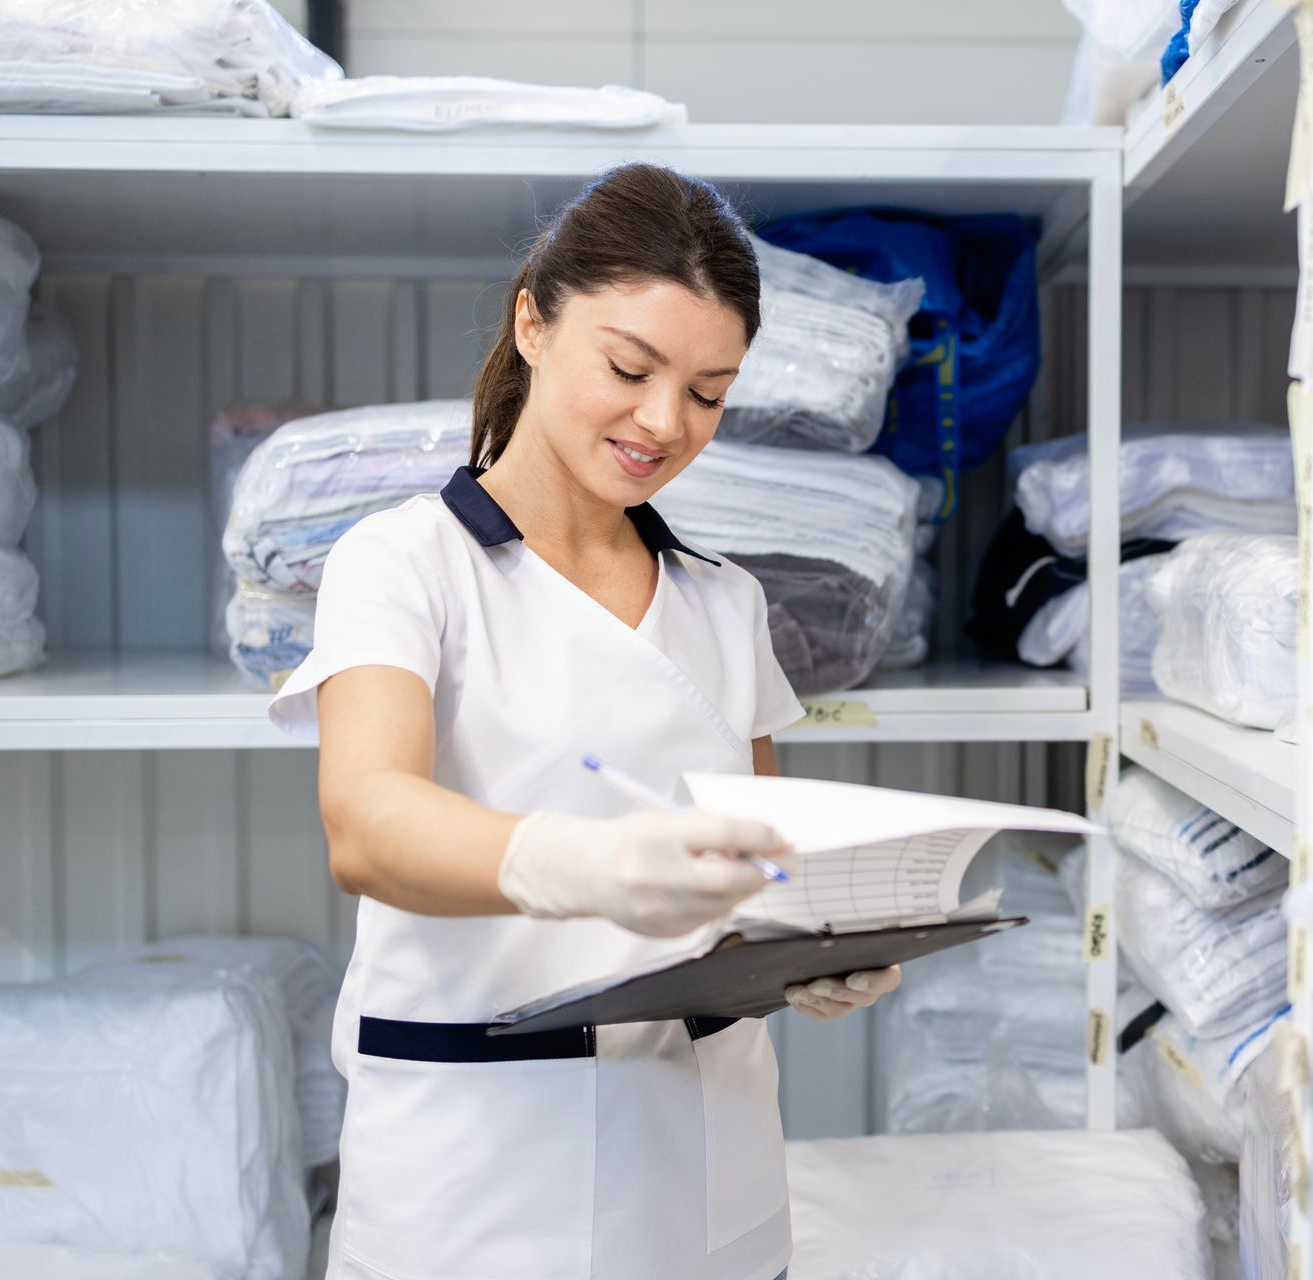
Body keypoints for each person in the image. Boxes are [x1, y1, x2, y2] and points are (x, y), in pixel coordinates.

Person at [269, 162, 899, 1280]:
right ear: (532, 323)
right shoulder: (406, 561)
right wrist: (592, 863)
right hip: (476, 1179)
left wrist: (823, 942)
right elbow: (366, 821)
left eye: (709, 392)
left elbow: (764, 866)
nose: (665, 421)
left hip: (708, 1169)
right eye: (629, 367)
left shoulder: (723, 598)